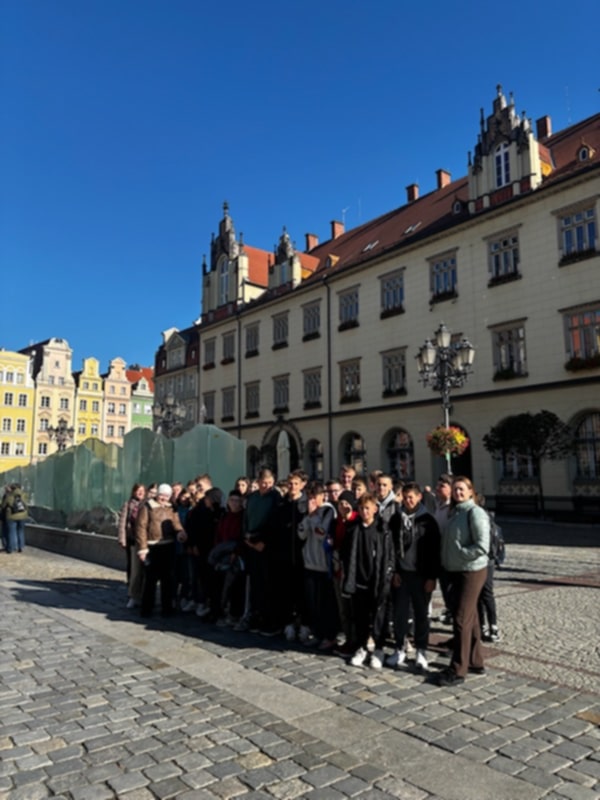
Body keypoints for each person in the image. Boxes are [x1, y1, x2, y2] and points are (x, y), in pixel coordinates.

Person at [437, 476, 490, 686]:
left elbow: (482, 545)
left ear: (470, 492)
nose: (458, 493)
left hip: (471, 571)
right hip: (456, 570)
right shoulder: (455, 512)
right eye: (455, 489)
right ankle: (476, 661)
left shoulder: (474, 512)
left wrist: (461, 554)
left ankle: (458, 669)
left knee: (460, 619)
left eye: (462, 489)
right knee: (471, 618)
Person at [386, 483, 440, 671]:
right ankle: (399, 648)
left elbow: (434, 552)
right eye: (405, 497)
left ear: (419, 497)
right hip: (402, 574)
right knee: (400, 614)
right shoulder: (396, 519)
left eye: (412, 497)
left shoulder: (428, 521)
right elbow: (391, 548)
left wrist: (432, 577)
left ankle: (421, 650)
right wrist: (394, 571)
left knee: (421, 614)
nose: (408, 501)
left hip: (421, 575)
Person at [341, 493, 393, 669]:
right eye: (362, 508)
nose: (365, 512)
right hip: (359, 579)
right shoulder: (354, 529)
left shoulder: (383, 529)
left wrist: (388, 574)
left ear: (375, 509)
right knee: (360, 617)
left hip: (377, 580)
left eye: (368, 508)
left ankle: (378, 649)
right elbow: (346, 553)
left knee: (379, 617)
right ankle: (362, 647)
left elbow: (390, 555)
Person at [236, 468, 280, 633]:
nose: (266, 486)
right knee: (255, 583)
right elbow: (246, 519)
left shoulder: (275, 497)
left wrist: (264, 541)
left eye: (269, 483)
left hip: (266, 545)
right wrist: (246, 536)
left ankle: (267, 619)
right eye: (263, 483)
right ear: (258, 482)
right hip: (251, 541)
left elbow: (274, 522)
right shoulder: (253, 497)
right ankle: (255, 615)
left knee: (267, 583)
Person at [296, 481, 338, 649]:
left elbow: (322, 534)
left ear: (322, 496)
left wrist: (313, 518)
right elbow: (301, 534)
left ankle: (329, 636)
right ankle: (317, 633)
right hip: (309, 563)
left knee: (325, 604)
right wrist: (308, 518)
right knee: (312, 603)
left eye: (314, 496)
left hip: (323, 565)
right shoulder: (309, 513)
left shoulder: (328, 511)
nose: (311, 500)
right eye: (309, 497)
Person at [136, 483, 187, 617]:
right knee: (150, 579)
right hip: (152, 546)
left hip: (168, 545)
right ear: (157, 494)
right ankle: (147, 608)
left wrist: (180, 532)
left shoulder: (171, 508)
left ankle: (167, 608)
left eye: (167, 496)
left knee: (168, 578)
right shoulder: (147, 507)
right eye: (162, 495)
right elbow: (141, 527)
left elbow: (176, 523)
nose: (164, 498)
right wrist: (143, 548)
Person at [118, 483, 146, 608]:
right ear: (134, 492)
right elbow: (122, 523)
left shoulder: (146, 504)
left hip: (143, 541)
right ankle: (132, 591)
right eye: (138, 490)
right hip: (132, 539)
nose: (140, 493)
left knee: (141, 569)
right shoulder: (129, 504)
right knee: (132, 567)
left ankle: (140, 592)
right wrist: (122, 539)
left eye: (142, 490)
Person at [2, 483, 28, 553]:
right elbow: (26, 505)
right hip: (22, 516)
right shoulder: (23, 495)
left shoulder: (9, 495)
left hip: (11, 516)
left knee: (12, 532)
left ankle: (12, 548)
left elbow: (3, 505)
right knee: (20, 531)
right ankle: (21, 547)